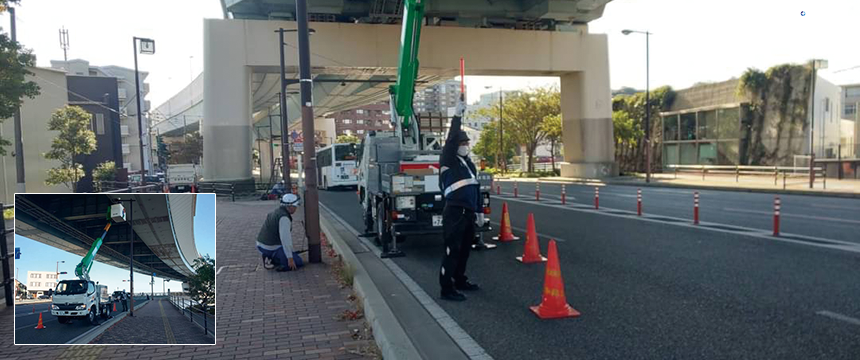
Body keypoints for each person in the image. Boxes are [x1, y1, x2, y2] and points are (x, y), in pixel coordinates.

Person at [438, 98, 483, 302]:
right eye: (462, 143)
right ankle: (446, 288)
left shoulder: (469, 164)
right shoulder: (448, 158)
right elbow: (451, 137)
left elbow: (476, 188)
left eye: (466, 143)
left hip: (468, 213)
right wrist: (457, 115)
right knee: (452, 251)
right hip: (455, 212)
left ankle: (460, 279)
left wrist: (480, 211)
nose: (465, 145)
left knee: (465, 250)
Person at [256, 194, 304, 272]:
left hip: (262, 244)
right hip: (271, 246)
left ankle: (270, 256)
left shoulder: (277, 212)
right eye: (295, 206)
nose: (296, 208)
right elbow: (285, 239)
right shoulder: (284, 218)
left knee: (291, 255)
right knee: (298, 262)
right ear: (290, 206)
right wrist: (290, 258)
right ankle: (276, 260)